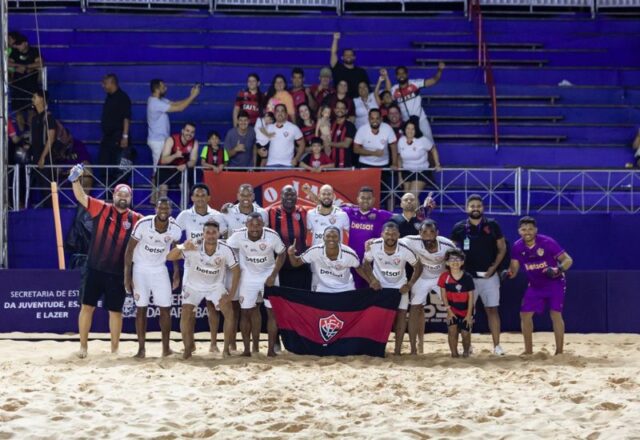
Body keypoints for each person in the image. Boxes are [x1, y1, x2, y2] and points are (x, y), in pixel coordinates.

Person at [69, 166, 142, 359]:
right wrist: (75, 179)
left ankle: (115, 350)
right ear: (114, 195)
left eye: (127, 195)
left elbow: (156, 227)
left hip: (117, 273)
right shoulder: (102, 208)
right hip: (94, 269)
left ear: (130, 198)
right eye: (120, 194)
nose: (123, 197)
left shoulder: (136, 219)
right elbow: (81, 197)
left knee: (116, 312)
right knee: (87, 307)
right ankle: (83, 347)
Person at [167, 220, 240, 359]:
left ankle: (226, 350)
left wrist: (230, 295)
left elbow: (236, 270)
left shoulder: (225, 249)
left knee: (229, 313)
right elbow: (169, 257)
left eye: (214, 233)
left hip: (215, 286)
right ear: (203, 234)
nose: (211, 235)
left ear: (218, 233)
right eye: (208, 232)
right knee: (186, 313)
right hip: (194, 286)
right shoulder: (193, 245)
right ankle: (188, 348)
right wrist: (182, 246)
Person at [124, 198, 182, 358]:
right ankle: (141, 349)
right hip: (140, 270)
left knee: (165, 309)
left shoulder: (175, 229)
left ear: (170, 210)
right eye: (160, 207)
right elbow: (129, 250)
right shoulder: (143, 224)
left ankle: (166, 348)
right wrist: (127, 276)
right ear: (155, 208)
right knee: (141, 308)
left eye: (166, 208)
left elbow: (176, 250)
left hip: (160, 270)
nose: (163, 210)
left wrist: (176, 271)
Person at [506, 217, 573, 355]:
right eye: (524, 229)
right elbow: (514, 269)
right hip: (535, 286)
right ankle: (528, 351)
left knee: (555, 314)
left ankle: (559, 352)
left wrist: (558, 269)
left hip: (555, 283)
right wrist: (507, 273)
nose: (527, 232)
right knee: (525, 315)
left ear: (536, 230)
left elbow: (568, 260)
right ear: (519, 231)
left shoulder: (548, 242)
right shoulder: (517, 246)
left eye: (530, 229)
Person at [451, 194, 507, 356]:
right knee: (466, 313)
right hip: (467, 278)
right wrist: (459, 272)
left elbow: (502, 248)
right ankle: (467, 347)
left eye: (478, 206)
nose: (475, 209)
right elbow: (452, 252)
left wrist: (494, 267)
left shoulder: (493, 225)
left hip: (490, 276)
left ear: (483, 208)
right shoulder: (459, 227)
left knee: (492, 310)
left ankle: (497, 346)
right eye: (472, 206)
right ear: (466, 208)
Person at [175, 184, 228, 352]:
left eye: (203, 195)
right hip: (192, 267)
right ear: (192, 198)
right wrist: (176, 270)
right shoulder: (184, 215)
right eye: (196, 195)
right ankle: (189, 344)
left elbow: (225, 237)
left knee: (212, 306)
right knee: (189, 309)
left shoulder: (217, 216)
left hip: (213, 266)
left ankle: (213, 343)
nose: (199, 198)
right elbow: (175, 239)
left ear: (208, 198)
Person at [226, 213, 287, 357]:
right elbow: (225, 247)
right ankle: (247, 350)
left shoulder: (272, 236)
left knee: (272, 313)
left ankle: (271, 350)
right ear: (246, 225)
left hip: (269, 275)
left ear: (263, 225)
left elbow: (282, 253)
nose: (255, 228)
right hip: (248, 275)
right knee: (246, 312)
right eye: (252, 225)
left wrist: (273, 275)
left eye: (258, 225)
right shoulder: (238, 236)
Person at [363, 222, 421, 355]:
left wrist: (410, 284)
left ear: (399, 235)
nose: (391, 236)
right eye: (387, 234)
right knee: (377, 316)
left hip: (399, 287)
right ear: (382, 234)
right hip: (380, 287)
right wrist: (372, 280)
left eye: (394, 234)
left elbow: (418, 266)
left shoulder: (404, 248)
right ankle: (376, 348)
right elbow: (365, 264)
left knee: (401, 316)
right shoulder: (374, 246)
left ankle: (397, 350)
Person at [402, 219, 456, 355]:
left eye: (432, 232)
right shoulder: (411, 241)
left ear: (437, 233)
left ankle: (457, 346)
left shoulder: (447, 244)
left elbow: (458, 261)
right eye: (424, 232)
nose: (428, 235)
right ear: (419, 233)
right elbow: (391, 239)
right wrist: (372, 242)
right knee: (415, 308)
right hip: (422, 277)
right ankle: (414, 347)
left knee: (453, 308)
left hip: (441, 277)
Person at [288, 226, 369, 293]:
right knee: (321, 312)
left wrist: (370, 281)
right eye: (328, 236)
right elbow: (296, 263)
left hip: (345, 288)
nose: (331, 239)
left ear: (339, 238)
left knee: (346, 312)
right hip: (323, 288)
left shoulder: (349, 254)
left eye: (335, 236)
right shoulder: (315, 251)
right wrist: (291, 254)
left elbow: (358, 268)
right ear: (323, 237)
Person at [146, 79, 200, 179]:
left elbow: (176, 103)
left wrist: (190, 96)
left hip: (162, 140)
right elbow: (180, 108)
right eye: (163, 87)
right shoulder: (155, 103)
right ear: (157, 89)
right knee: (157, 172)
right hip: (158, 141)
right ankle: (154, 195)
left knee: (161, 171)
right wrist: (193, 96)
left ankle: (159, 193)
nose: (166, 88)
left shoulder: (159, 100)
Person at [267, 185, 311, 290]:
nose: (290, 197)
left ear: (297, 197)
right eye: (286, 194)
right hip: (279, 266)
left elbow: (325, 208)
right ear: (281, 196)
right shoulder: (270, 212)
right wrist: (231, 207)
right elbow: (252, 211)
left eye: (293, 195)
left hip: (301, 264)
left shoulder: (304, 211)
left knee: (301, 299)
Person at [354, 108, 398, 209]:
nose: (375, 121)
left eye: (377, 118)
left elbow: (393, 147)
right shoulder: (362, 130)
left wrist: (394, 163)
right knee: (365, 192)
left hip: (384, 165)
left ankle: (389, 215)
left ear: (381, 119)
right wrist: (373, 153)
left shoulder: (387, 128)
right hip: (365, 164)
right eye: (372, 118)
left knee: (388, 191)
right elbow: (356, 149)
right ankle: (365, 212)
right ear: (368, 119)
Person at [391, 64, 445, 144]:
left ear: (407, 74)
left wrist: (440, 70)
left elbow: (433, 80)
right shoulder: (394, 89)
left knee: (429, 143)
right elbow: (386, 99)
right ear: (396, 76)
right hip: (407, 122)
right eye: (399, 74)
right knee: (409, 146)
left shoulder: (415, 84)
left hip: (421, 120)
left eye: (403, 73)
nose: (401, 75)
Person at [439, 248, 475, 358]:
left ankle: (466, 353)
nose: (455, 261)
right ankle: (454, 354)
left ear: (462, 262)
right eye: (452, 259)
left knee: (465, 333)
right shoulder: (444, 277)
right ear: (447, 262)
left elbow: (471, 297)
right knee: (452, 331)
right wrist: (449, 311)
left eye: (458, 259)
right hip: (452, 309)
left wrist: (469, 315)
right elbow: (443, 296)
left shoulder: (468, 277)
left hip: (466, 310)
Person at [397, 119, 442, 196]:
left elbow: (433, 149)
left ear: (416, 130)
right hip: (407, 172)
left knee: (412, 196)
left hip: (421, 172)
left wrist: (437, 164)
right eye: (408, 128)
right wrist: (400, 177)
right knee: (406, 197)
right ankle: (418, 209)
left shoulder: (422, 140)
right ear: (405, 129)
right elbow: (399, 158)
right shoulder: (401, 141)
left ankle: (418, 208)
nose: (410, 131)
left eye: (412, 129)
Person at [9, 33, 42, 132]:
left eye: (19, 44)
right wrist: (18, 66)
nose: (17, 46)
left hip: (31, 85)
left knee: (31, 111)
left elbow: (40, 63)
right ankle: (22, 133)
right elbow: (8, 62)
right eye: (16, 44)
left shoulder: (34, 51)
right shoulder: (14, 52)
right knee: (18, 111)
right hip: (18, 85)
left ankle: (31, 134)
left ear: (25, 43)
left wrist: (27, 67)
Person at [158, 122, 199, 199]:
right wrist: (175, 155)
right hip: (166, 169)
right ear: (182, 131)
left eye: (192, 132)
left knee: (186, 189)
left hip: (181, 169)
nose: (189, 134)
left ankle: (184, 210)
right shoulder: (171, 139)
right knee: (163, 190)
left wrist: (186, 165)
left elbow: (193, 161)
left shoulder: (194, 143)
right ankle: (162, 210)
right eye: (187, 131)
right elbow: (163, 160)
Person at [99, 74, 131, 172]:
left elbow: (126, 118)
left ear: (112, 83)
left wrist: (125, 137)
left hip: (117, 137)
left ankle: (116, 186)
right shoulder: (109, 97)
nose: (102, 86)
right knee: (104, 162)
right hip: (108, 137)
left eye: (105, 83)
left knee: (117, 165)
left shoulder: (123, 97)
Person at [330, 32, 370, 99]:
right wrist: (335, 39)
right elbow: (333, 53)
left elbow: (366, 88)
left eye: (351, 55)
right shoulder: (337, 68)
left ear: (354, 57)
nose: (348, 56)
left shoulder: (361, 72)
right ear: (342, 57)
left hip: (356, 102)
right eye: (346, 55)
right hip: (339, 102)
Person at [323, 100, 357, 168]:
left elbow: (346, 144)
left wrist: (329, 143)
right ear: (334, 110)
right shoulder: (330, 124)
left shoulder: (350, 126)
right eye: (338, 108)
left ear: (346, 111)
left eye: (342, 108)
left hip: (345, 165)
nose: (340, 110)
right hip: (330, 164)